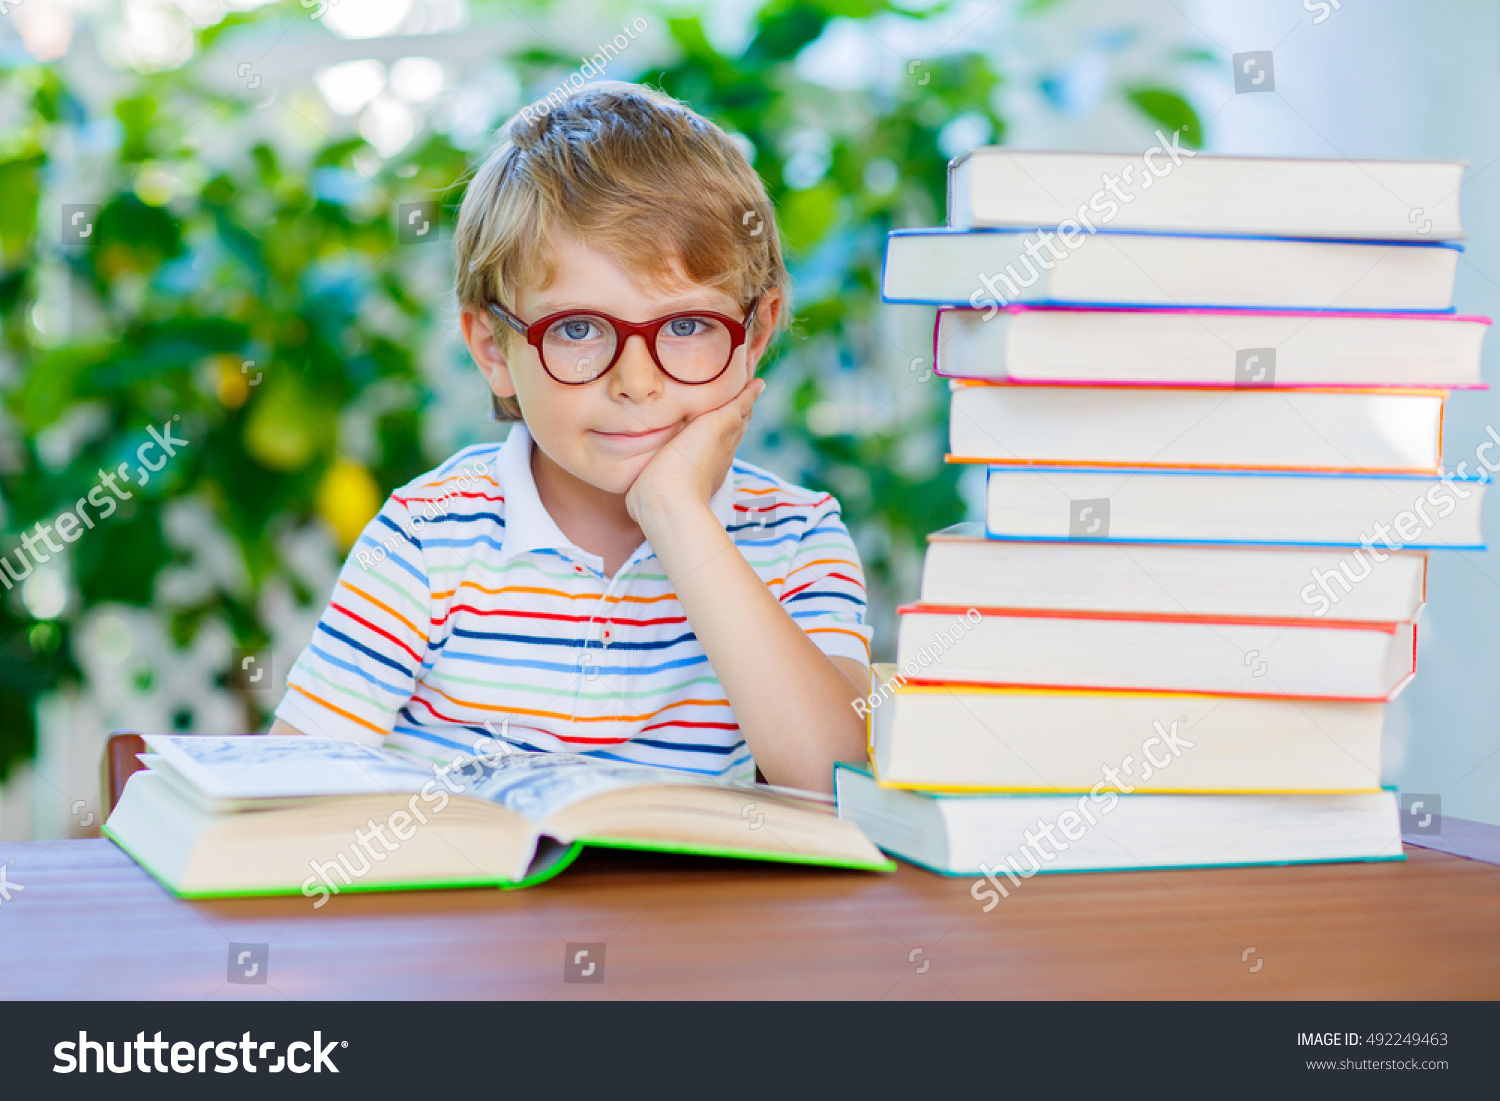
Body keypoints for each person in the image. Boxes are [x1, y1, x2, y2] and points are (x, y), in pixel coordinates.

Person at [269, 81, 871, 793]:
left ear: (755, 333)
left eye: (685, 326)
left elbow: (835, 783)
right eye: (579, 329)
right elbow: (288, 786)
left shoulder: (798, 537)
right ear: (495, 350)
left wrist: (677, 512)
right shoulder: (429, 536)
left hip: (684, 908)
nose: (638, 382)